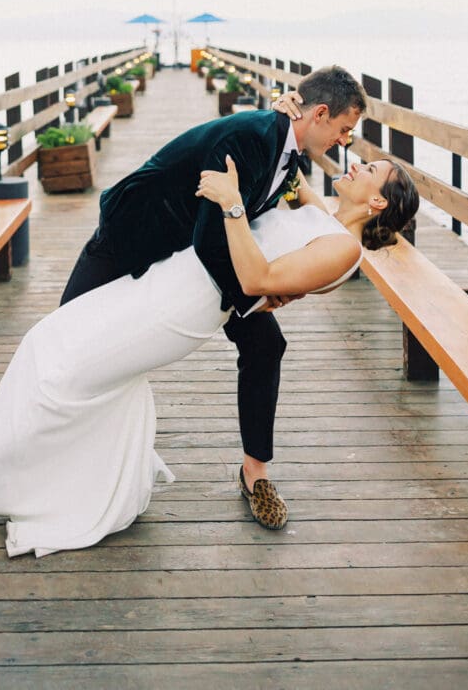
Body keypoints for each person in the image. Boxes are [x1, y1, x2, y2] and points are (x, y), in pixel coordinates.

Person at [0, 148, 419, 558]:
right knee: (52, 351)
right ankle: (26, 485)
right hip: (173, 277)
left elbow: (259, 278)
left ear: (377, 202)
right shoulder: (326, 217)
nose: (353, 163)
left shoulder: (345, 249)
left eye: (369, 168)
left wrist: (232, 203)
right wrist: (288, 118)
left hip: (184, 305)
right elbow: (293, 167)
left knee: (58, 374)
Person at [56, 64, 365, 529]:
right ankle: (61, 457)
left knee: (266, 345)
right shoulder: (249, 140)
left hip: (193, 258)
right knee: (63, 341)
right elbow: (211, 240)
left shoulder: (290, 154)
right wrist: (257, 298)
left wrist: (281, 287)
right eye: (344, 129)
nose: (345, 142)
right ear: (320, 112)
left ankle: (254, 472)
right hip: (131, 236)